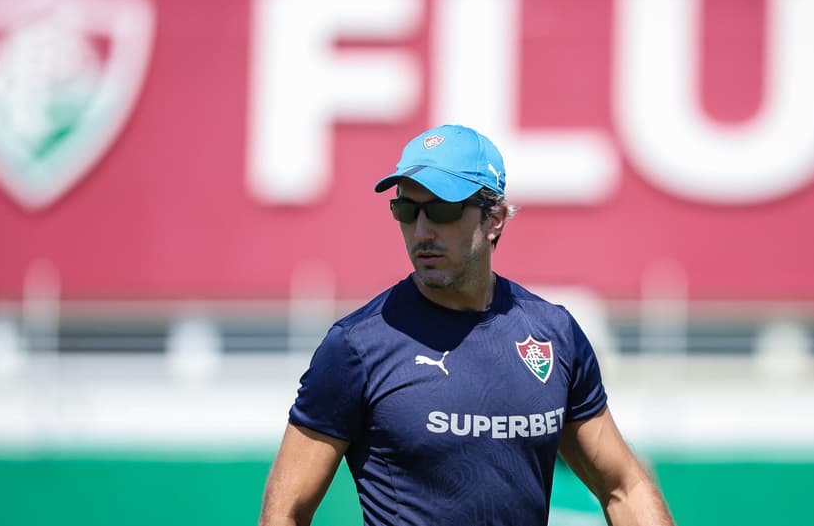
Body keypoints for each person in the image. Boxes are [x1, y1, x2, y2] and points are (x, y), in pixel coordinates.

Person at [258, 124, 675, 526]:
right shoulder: (355, 348)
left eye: (441, 209)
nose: (421, 231)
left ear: (494, 218)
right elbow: (284, 514)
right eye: (406, 209)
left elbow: (624, 487)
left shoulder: (556, 334)